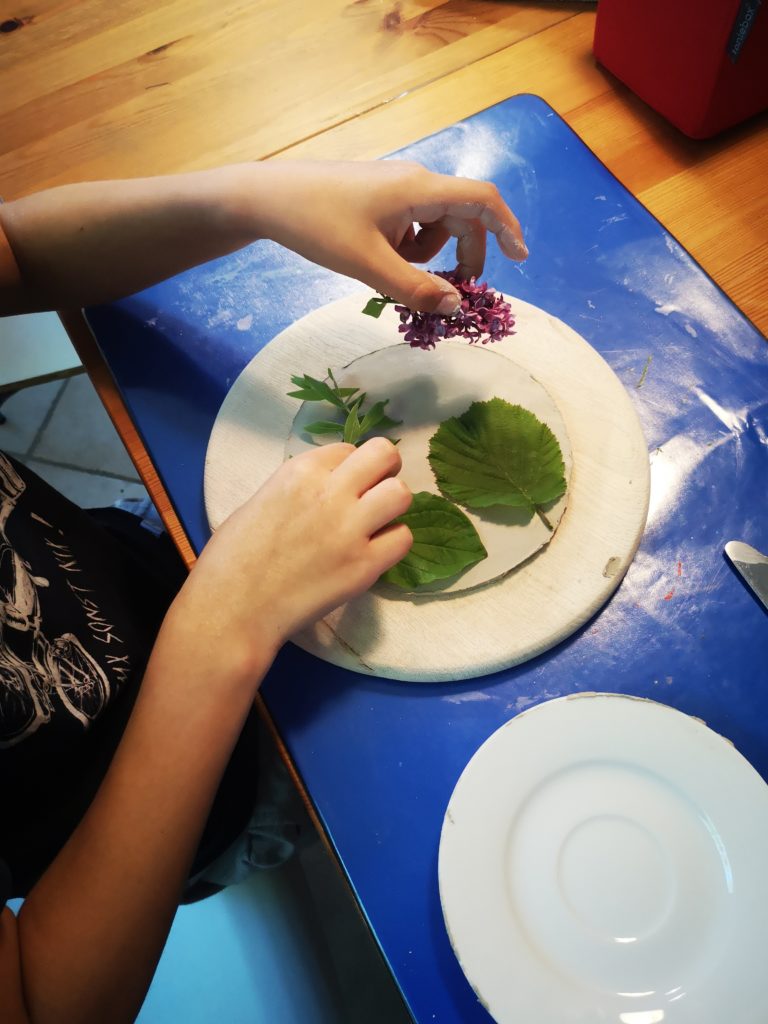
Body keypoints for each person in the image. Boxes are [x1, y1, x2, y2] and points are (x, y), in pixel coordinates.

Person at [0, 159, 526, 1024]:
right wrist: (224, 624)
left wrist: (249, 199)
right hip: (192, 796)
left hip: (138, 564)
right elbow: (44, 1000)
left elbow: (14, 248)